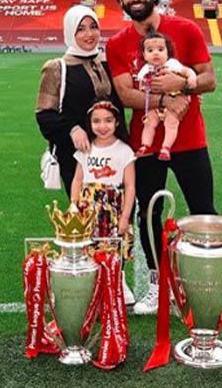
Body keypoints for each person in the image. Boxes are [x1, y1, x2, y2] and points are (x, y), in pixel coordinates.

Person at [106, 0, 218, 314]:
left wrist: (183, 83)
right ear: (121, 0)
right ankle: (158, 285)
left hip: (190, 140)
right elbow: (125, 95)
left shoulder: (186, 29)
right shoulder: (117, 44)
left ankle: (207, 281)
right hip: (145, 145)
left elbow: (209, 79)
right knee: (148, 215)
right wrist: (167, 98)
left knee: (203, 210)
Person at [35, 4, 127, 196]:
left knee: (119, 208)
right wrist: (73, 129)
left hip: (114, 153)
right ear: (70, 32)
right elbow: (45, 116)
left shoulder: (107, 62)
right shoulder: (57, 68)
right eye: (81, 29)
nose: (89, 34)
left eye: (93, 27)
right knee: (86, 209)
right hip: (78, 158)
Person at [70, 99, 137, 305]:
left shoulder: (124, 150)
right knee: (90, 244)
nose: (102, 126)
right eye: (96, 121)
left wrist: (125, 216)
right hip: (88, 207)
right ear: (89, 123)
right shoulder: (86, 149)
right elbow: (77, 179)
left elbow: (130, 186)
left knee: (115, 245)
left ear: (117, 122)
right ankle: (93, 282)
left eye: (108, 120)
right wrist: (73, 205)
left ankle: (118, 279)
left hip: (113, 208)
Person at [135, 29, 197, 161]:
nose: (155, 53)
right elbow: (141, 86)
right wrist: (145, 87)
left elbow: (187, 71)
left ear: (168, 51)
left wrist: (191, 78)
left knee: (171, 123)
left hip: (174, 100)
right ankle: (145, 145)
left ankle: (166, 147)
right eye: (150, 50)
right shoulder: (145, 69)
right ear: (144, 55)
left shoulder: (172, 64)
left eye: (160, 49)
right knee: (149, 122)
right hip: (155, 104)